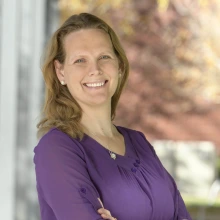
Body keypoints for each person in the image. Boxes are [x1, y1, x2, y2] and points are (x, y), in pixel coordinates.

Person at [33, 13, 192, 220]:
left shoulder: (138, 142)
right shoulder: (56, 149)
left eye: (104, 57)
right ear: (60, 71)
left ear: (119, 65)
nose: (95, 70)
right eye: (80, 60)